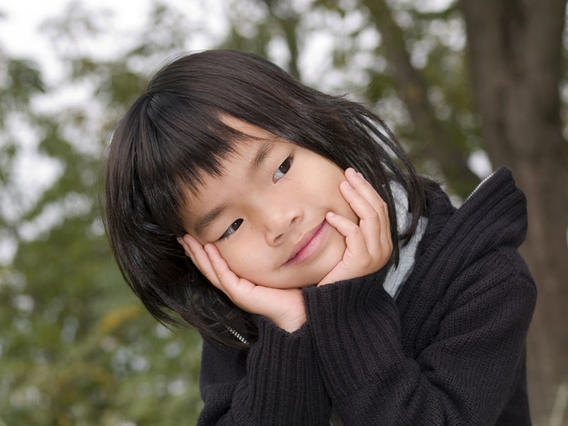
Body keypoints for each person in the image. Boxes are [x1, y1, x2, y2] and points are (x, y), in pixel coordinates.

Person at [103, 49, 536, 425]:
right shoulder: (241, 321)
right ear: (201, 257)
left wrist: (348, 311)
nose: (278, 221)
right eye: (231, 227)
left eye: (281, 169)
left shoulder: (482, 278)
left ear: (326, 135)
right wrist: (289, 333)